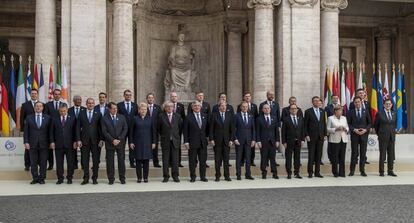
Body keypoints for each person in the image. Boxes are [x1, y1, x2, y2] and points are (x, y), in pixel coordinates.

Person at [23, 101, 53, 184]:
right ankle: (35, 178)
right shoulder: (29, 117)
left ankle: (42, 178)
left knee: (43, 162)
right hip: (32, 144)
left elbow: (50, 132)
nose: (38, 107)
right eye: (37, 106)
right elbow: (26, 131)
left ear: (43, 108)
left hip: (44, 144)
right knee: (33, 162)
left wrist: (51, 142)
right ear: (34, 108)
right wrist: (26, 142)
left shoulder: (48, 118)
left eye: (40, 106)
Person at [77, 98, 104, 185]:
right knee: (85, 160)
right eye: (89, 103)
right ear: (86, 104)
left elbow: (101, 128)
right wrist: (78, 140)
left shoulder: (98, 114)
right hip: (84, 141)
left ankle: (94, 178)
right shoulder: (81, 113)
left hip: (95, 141)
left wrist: (101, 139)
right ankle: (86, 178)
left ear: (94, 104)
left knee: (96, 160)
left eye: (92, 103)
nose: (91, 105)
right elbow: (77, 128)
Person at [101, 102, 128, 184]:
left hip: (120, 143)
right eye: (113, 108)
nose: (115, 110)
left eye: (116, 108)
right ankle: (111, 179)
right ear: (109, 109)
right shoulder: (104, 118)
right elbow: (104, 131)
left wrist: (119, 139)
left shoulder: (122, 117)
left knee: (121, 161)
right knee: (110, 162)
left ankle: (122, 178)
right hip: (110, 143)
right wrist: (112, 140)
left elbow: (125, 129)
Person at [50, 103, 77, 184]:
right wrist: (52, 142)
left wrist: (75, 141)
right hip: (58, 145)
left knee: (70, 162)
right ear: (59, 110)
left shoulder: (72, 118)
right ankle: (60, 178)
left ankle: (69, 178)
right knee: (59, 163)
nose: (63, 113)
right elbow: (51, 132)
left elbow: (75, 131)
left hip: (70, 145)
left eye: (64, 111)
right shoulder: (54, 119)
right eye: (61, 111)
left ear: (67, 110)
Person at [129, 103, 157, 183]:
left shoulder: (150, 119)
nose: (143, 111)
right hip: (137, 142)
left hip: (148, 142)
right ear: (139, 110)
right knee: (138, 161)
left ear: (147, 110)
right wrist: (131, 142)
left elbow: (153, 132)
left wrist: (154, 142)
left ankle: (145, 177)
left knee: (146, 161)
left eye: (145, 109)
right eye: (142, 109)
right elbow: (131, 132)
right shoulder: (134, 118)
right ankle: (139, 178)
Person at [184, 101, 210, 182]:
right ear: (192, 107)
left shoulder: (205, 116)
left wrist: (208, 138)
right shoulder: (188, 117)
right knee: (192, 161)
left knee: (203, 161)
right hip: (192, 142)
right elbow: (185, 131)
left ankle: (203, 177)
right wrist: (186, 141)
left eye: (198, 106)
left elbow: (208, 129)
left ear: (200, 107)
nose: (197, 107)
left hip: (202, 142)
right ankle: (193, 176)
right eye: (195, 106)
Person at [157, 101, 183, 183]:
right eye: (168, 107)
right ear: (165, 108)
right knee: (165, 160)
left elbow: (180, 128)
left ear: (173, 108)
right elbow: (158, 129)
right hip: (165, 141)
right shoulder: (161, 116)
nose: (169, 108)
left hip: (175, 141)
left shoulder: (177, 116)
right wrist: (164, 136)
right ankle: (166, 176)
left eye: (171, 106)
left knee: (175, 160)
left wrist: (176, 137)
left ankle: (175, 176)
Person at [209, 101, 234, 182]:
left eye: (225, 106)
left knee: (226, 160)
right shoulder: (214, 115)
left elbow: (232, 129)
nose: (224, 107)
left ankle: (227, 176)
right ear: (219, 107)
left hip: (227, 141)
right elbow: (211, 129)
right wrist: (211, 139)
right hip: (217, 141)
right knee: (217, 160)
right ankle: (217, 176)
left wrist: (231, 139)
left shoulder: (229, 115)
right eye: (222, 106)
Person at [347, 96, 371, 177]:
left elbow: (369, 123)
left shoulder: (366, 111)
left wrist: (365, 130)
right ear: (354, 103)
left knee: (363, 154)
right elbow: (348, 124)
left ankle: (362, 171)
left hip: (364, 135)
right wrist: (354, 130)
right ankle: (352, 171)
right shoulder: (350, 112)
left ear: (361, 102)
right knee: (354, 153)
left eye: (358, 102)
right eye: (356, 102)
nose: (357, 103)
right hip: (354, 135)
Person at [304, 96, 327, 178]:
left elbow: (324, 124)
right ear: (312, 102)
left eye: (318, 101)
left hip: (320, 137)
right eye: (315, 101)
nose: (317, 102)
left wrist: (325, 134)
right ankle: (310, 172)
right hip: (311, 137)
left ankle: (317, 172)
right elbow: (305, 125)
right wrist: (306, 135)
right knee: (311, 155)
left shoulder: (322, 111)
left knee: (318, 155)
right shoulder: (308, 111)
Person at [20, 89, 42, 171]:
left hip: (40, 130)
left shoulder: (42, 104)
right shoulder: (25, 105)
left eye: (35, 93)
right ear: (30, 94)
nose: (33, 95)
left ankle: (40, 164)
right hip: (29, 131)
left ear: (37, 94)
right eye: (32, 93)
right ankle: (27, 165)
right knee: (28, 149)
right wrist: (23, 130)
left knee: (40, 148)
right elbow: (22, 118)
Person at [256, 104, 280, 179]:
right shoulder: (259, 119)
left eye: (268, 108)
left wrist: (277, 140)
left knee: (273, 158)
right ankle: (264, 172)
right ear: (262, 110)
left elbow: (276, 131)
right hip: (263, 142)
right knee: (263, 158)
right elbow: (257, 131)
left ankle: (274, 173)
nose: (266, 109)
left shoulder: (274, 118)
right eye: (265, 108)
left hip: (272, 141)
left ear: (270, 109)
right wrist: (258, 141)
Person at [374, 99, 397, 177]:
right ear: (384, 105)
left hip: (391, 137)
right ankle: (381, 171)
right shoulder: (379, 113)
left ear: (391, 105)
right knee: (382, 155)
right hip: (383, 138)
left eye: (389, 104)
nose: (388, 105)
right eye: (386, 104)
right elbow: (376, 126)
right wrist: (380, 134)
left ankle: (390, 171)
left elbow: (394, 125)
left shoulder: (394, 113)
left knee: (391, 155)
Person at [282, 104, 305, 179]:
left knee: (297, 158)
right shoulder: (286, 119)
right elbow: (283, 131)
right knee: (288, 158)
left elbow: (302, 131)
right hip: (289, 142)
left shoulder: (300, 118)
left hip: (298, 142)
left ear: (297, 110)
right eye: (292, 109)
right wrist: (284, 142)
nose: (294, 110)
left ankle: (296, 173)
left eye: (295, 108)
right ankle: (289, 173)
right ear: (289, 110)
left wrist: (302, 140)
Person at [234, 101, 256, 180]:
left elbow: (253, 129)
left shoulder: (251, 116)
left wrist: (253, 139)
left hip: (249, 140)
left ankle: (248, 174)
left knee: (248, 158)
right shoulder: (236, 116)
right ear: (240, 107)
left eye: (246, 107)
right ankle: (238, 174)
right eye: (243, 107)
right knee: (239, 158)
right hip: (239, 140)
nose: (245, 108)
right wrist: (235, 138)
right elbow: (233, 129)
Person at [117, 89, 138, 168]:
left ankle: (132, 162)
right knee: (121, 146)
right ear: (124, 95)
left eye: (129, 95)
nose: (128, 96)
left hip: (132, 129)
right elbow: (118, 116)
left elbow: (136, 117)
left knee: (132, 145)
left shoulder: (135, 105)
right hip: (122, 129)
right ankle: (122, 162)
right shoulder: (119, 105)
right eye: (126, 95)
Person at [327, 105, 349, 177]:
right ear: (335, 111)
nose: (341, 112)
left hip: (343, 139)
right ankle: (335, 172)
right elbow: (327, 129)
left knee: (342, 157)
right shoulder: (330, 118)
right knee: (335, 157)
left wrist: (345, 129)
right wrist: (336, 129)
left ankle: (342, 173)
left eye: (342, 110)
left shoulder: (344, 118)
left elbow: (347, 127)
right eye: (339, 110)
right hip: (334, 140)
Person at [237, 92, 258, 167]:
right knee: (242, 149)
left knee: (251, 149)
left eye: (249, 96)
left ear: (251, 97)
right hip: (242, 129)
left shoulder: (254, 106)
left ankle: (251, 161)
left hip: (250, 128)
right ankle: (242, 161)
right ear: (244, 97)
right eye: (246, 96)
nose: (247, 97)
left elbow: (256, 117)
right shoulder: (240, 106)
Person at [68, 95, 86, 170]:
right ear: (73, 101)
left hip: (83, 133)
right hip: (71, 133)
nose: (79, 101)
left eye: (80, 99)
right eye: (77, 100)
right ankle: (74, 165)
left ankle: (83, 165)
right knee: (73, 150)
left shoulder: (85, 110)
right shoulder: (69, 110)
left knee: (84, 150)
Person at [169, 92, 185, 167]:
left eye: (175, 96)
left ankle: (178, 162)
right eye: (172, 96)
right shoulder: (167, 105)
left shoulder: (180, 106)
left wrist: (181, 130)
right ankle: (170, 162)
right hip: (169, 131)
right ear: (170, 97)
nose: (174, 98)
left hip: (178, 130)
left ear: (177, 97)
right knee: (169, 147)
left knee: (177, 147)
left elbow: (183, 118)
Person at [146, 93, 162, 168]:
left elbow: (160, 118)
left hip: (155, 130)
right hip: (146, 129)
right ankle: (145, 162)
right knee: (146, 146)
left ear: (154, 99)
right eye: (149, 98)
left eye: (152, 98)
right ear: (147, 99)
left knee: (155, 146)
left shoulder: (158, 107)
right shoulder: (144, 107)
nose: (150, 99)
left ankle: (156, 162)